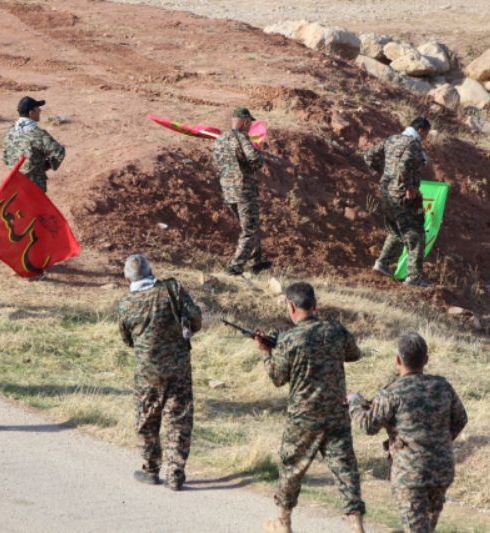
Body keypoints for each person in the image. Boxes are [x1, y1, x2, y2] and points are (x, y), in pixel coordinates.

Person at [255, 282, 365, 533]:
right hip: (336, 414)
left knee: (291, 468)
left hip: (303, 418)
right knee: (346, 470)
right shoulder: (335, 331)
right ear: (315, 305)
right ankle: (356, 525)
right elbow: (354, 353)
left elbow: (277, 377)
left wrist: (265, 352)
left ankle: (283, 523)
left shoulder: (289, 339)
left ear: (291, 307)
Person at [348, 331, 468, 532]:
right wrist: (439, 441)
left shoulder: (391, 393)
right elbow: (461, 419)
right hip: (441, 471)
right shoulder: (442, 386)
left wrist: (354, 403)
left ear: (398, 360)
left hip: (410, 475)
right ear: (426, 359)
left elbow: (368, 426)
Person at [117, 254, 202, 491]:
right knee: (178, 419)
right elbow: (196, 318)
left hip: (147, 372)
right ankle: (175, 474)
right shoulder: (172, 290)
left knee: (147, 419)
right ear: (151, 270)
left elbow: (127, 340)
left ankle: (151, 470)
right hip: (178, 369)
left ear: (127, 278)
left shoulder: (125, 305)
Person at [364, 117, 431, 287]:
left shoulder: (391, 139)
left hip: (386, 192)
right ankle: (414, 277)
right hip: (403, 195)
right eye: (426, 134)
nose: (425, 137)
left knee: (396, 230)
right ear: (421, 130)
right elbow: (405, 165)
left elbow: (369, 156)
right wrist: (408, 187)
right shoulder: (413, 144)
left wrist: (386, 174)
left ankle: (382, 264)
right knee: (416, 233)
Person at [212, 106, 271, 276]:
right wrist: (258, 155)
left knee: (249, 225)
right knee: (249, 229)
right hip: (244, 190)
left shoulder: (220, 139)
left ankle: (256, 262)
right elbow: (255, 159)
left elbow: (216, 163)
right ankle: (235, 266)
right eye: (249, 122)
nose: (250, 126)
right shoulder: (242, 138)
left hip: (228, 191)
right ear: (245, 122)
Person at [2, 95, 66, 192]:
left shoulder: (8, 133)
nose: (40, 110)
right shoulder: (38, 134)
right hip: (35, 185)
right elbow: (59, 152)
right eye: (37, 108)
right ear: (31, 113)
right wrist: (45, 166)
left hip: (15, 183)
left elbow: (5, 156)